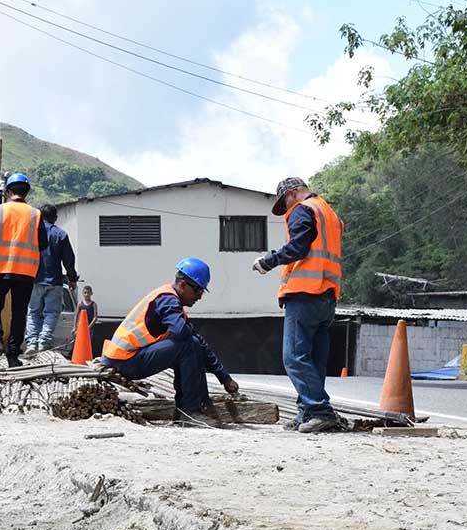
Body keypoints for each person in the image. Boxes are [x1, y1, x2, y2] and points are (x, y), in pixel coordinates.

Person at [101, 258, 239, 427]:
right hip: (122, 361)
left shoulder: (174, 305)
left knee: (193, 343)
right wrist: (190, 332)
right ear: (182, 285)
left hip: (129, 359)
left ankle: (198, 406)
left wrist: (224, 378)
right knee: (188, 345)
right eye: (197, 292)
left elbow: (199, 343)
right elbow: (181, 332)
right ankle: (189, 411)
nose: (199, 297)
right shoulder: (167, 300)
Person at [252, 176, 343, 433]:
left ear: (292, 193)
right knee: (313, 360)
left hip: (304, 293)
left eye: (286, 201)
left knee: (294, 357)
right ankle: (306, 413)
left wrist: (269, 260)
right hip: (327, 295)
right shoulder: (329, 214)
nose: (287, 208)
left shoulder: (302, 210)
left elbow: (299, 247)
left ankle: (321, 411)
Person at [0, 172, 48, 367]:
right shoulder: (36, 214)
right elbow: (42, 243)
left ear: (9, 191)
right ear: (26, 192)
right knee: (19, 312)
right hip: (25, 271)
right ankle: (12, 355)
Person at [24, 203, 78, 353]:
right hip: (54, 280)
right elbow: (69, 260)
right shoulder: (61, 235)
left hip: (34, 279)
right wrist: (72, 278)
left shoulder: (32, 234)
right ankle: (44, 342)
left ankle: (31, 343)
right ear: (55, 218)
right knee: (52, 313)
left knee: (33, 312)